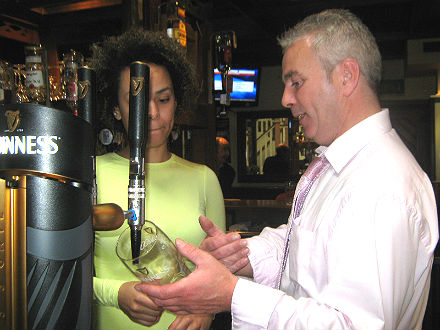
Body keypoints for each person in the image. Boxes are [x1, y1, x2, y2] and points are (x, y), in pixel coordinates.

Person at [136, 9, 439, 330]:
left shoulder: (382, 183)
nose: (285, 98)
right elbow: (303, 247)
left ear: (346, 76)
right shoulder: (342, 164)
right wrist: (242, 255)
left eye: (297, 82)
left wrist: (232, 294)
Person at [90, 28, 226, 330]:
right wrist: (117, 293)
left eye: (163, 99)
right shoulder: (91, 173)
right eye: (136, 101)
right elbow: (64, 272)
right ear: (115, 108)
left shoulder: (204, 179)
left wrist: (206, 313)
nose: (151, 112)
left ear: (177, 102)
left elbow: (222, 273)